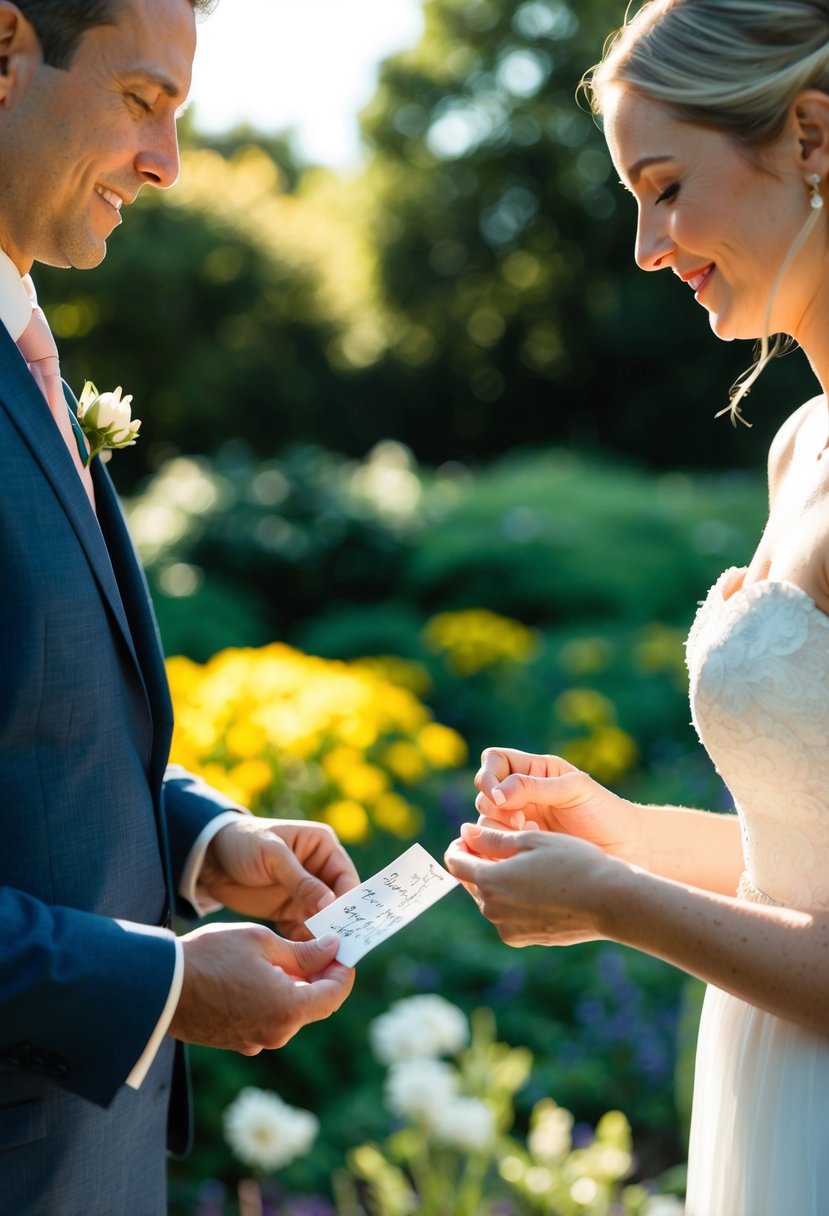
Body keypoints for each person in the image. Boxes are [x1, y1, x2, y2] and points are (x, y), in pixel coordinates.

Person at [444, 2, 829, 1213]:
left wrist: (610, 901)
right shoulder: (801, 450)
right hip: (774, 1088)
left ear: (811, 137)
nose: (645, 246)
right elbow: (799, 872)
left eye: (664, 187)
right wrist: (614, 833)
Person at [0, 1, 358, 1212]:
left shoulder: (23, 352)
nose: (166, 164)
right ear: (3, 51)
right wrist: (158, 987)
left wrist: (202, 842)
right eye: (142, 102)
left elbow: (28, 731)